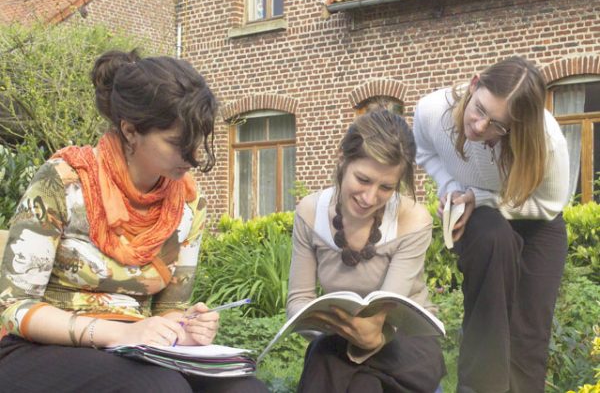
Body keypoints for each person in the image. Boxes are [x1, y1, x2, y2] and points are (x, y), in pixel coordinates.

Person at [0, 50, 268, 393]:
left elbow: (171, 309)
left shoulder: (187, 203)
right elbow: (14, 307)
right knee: (160, 388)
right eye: (176, 143)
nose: (193, 157)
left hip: (135, 349)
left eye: (197, 142)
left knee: (245, 389)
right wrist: (121, 332)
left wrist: (185, 328)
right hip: (40, 349)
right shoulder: (64, 182)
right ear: (130, 131)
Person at [413, 56, 570, 393]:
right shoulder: (431, 111)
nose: (481, 127)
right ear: (474, 84)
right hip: (485, 220)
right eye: (480, 109)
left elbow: (548, 205)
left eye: (498, 125)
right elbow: (424, 151)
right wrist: (452, 189)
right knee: (490, 312)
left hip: (537, 220)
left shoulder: (548, 140)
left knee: (528, 335)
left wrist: (482, 198)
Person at [287, 108, 446, 393]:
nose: (370, 197)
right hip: (341, 340)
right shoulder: (310, 213)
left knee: (329, 361)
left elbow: (384, 312)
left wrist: (366, 336)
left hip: (407, 343)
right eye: (363, 179)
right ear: (343, 161)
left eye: (386, 187)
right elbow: (298, 300)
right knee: (358, 380)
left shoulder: (412, 220)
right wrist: (327, 324)